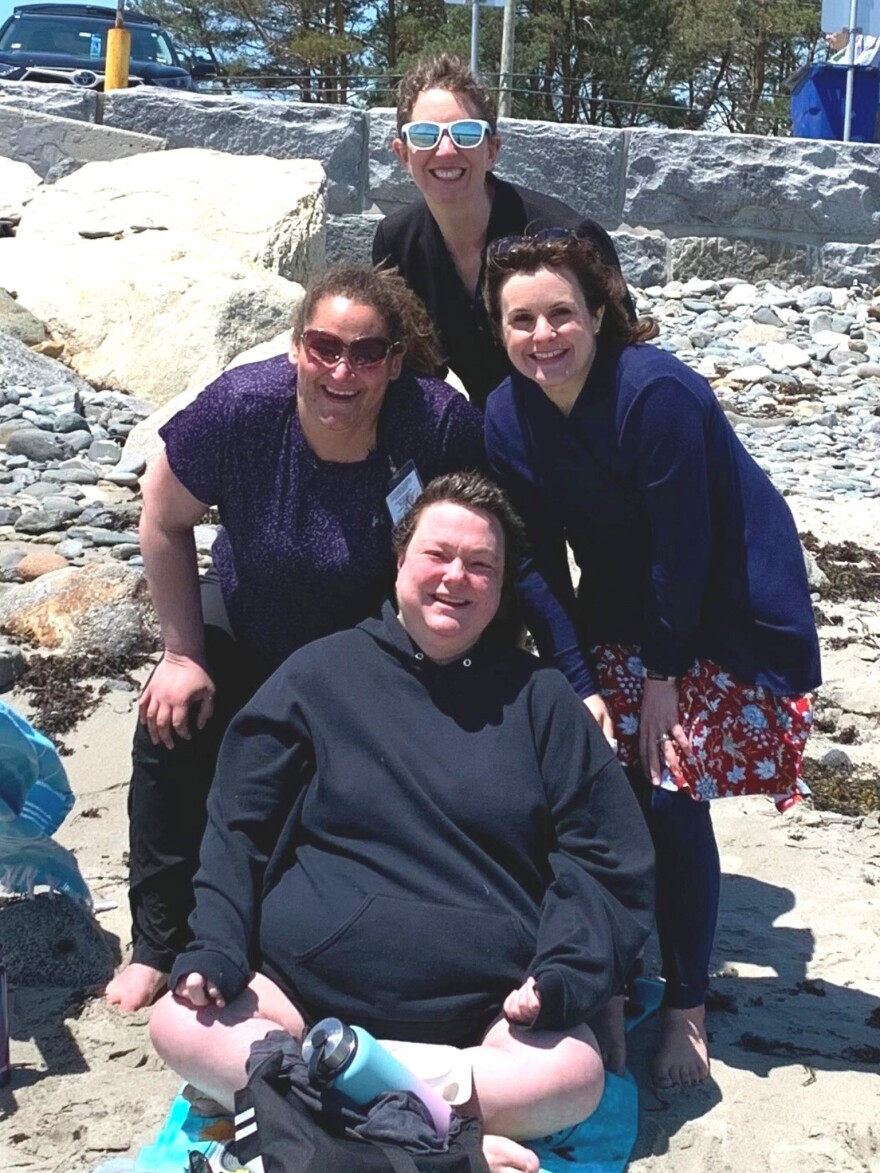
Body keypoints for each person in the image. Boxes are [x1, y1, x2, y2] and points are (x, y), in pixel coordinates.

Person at [149, 472, 655, 1173]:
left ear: (502, 587)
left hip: (482, 1020)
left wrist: (570, 971)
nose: (457, 577)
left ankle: (318, 1113)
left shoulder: (543, 700)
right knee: (178, 1022)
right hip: (304, 998)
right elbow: (239, 825)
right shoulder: (318, 675)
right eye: (438, 555)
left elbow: (603, 857)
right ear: (398, 561)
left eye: (482, 565)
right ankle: (441, 1134)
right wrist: (216, 944)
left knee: (573, 1076)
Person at [481, 232, 821, 1090]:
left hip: (727, 605)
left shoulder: (654, 392)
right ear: (500, 328)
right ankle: (616, 968)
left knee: (670, 789)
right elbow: (532, 564)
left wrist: (663, 679)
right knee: (598, 782)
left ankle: (688, 1006)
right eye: (521, 319)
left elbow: (686, 547)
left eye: (562, 312)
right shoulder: (504, 416)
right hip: (623, 606)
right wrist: (578, 677)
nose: (543, 335)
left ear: (598, 314)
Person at [105, 266, 485, 1013]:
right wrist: (181, 652)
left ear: (396, 361)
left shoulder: (435, 424)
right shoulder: (243, 410)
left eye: (368, 353)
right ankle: (156, 938)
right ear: (296, 349)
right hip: (249, 620)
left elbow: (475, 545)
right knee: (168, 722)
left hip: (371, 645)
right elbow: (162, 512)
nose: (344, 370)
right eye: (325, 347)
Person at [372, 54, 633, 410]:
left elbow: (627, 358)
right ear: (403, 154)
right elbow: (413, 372)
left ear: (492, 150)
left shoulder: (568, 236)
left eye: (466, 134)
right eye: (425, 134)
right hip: (492, 434)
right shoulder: (396, 242)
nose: (446, 150)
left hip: (590, 424)